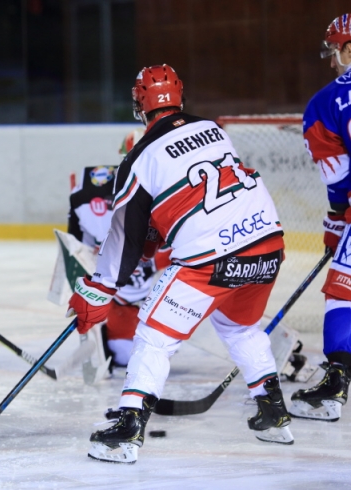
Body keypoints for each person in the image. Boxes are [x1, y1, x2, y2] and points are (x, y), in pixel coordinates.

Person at [67, 65, 293, 464]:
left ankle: (128, 429)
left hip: (212, 260)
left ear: (139, 105)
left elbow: (125, 237)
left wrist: (98, 287)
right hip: (267, 247)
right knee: (239, 327)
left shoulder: (139, 158)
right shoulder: (214, 129)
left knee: (154, 334)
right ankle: (273, 412)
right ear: (180, 98)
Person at [67, 135, 171, 374]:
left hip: (153, 292)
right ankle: (107, 330)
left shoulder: (171, 190)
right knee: (128, 355)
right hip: (118, 293)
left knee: (154, 352)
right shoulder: (92, 198)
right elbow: (77, 246)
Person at [294, 14, 351, 422]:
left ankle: (333, 387)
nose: (332, 62)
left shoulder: (326, 102)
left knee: (342, 293)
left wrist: (336, 222)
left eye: (335, 52)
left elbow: (338, 181)